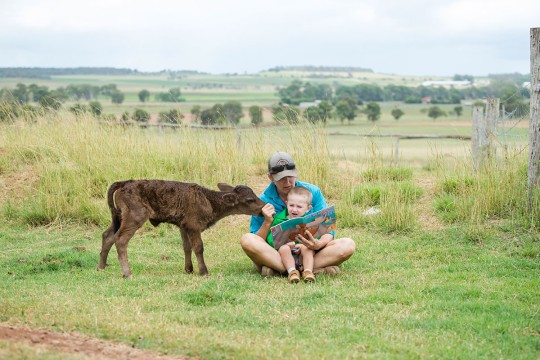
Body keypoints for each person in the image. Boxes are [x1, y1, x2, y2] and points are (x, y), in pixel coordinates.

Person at [240, 151, 356, 277]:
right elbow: (257, 241)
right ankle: (310, 269)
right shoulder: (261, 200)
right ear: (270, 177)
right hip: (279, 253)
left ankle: (280, 270)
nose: (288, 182)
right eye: (281, 178)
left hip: (310, 251)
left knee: (348, 245)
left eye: (290, 176)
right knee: (247, 240)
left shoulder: (313, 192)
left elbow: (328, 229)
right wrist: (267, 222)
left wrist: (318, 244)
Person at [262, 186, 317, 283]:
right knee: (284, 249)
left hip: (302, 254)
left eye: (299, 207)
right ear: (286, 203)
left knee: (307, 248)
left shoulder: (310, 221)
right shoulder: (278, 219)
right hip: (285, 254)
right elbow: (270, 239)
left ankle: (308, 272)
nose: (294, 210)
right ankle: (292, 272)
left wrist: (305, 244)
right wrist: (285, 244)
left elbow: (316, 238)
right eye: (291, 205)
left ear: (308, 208)